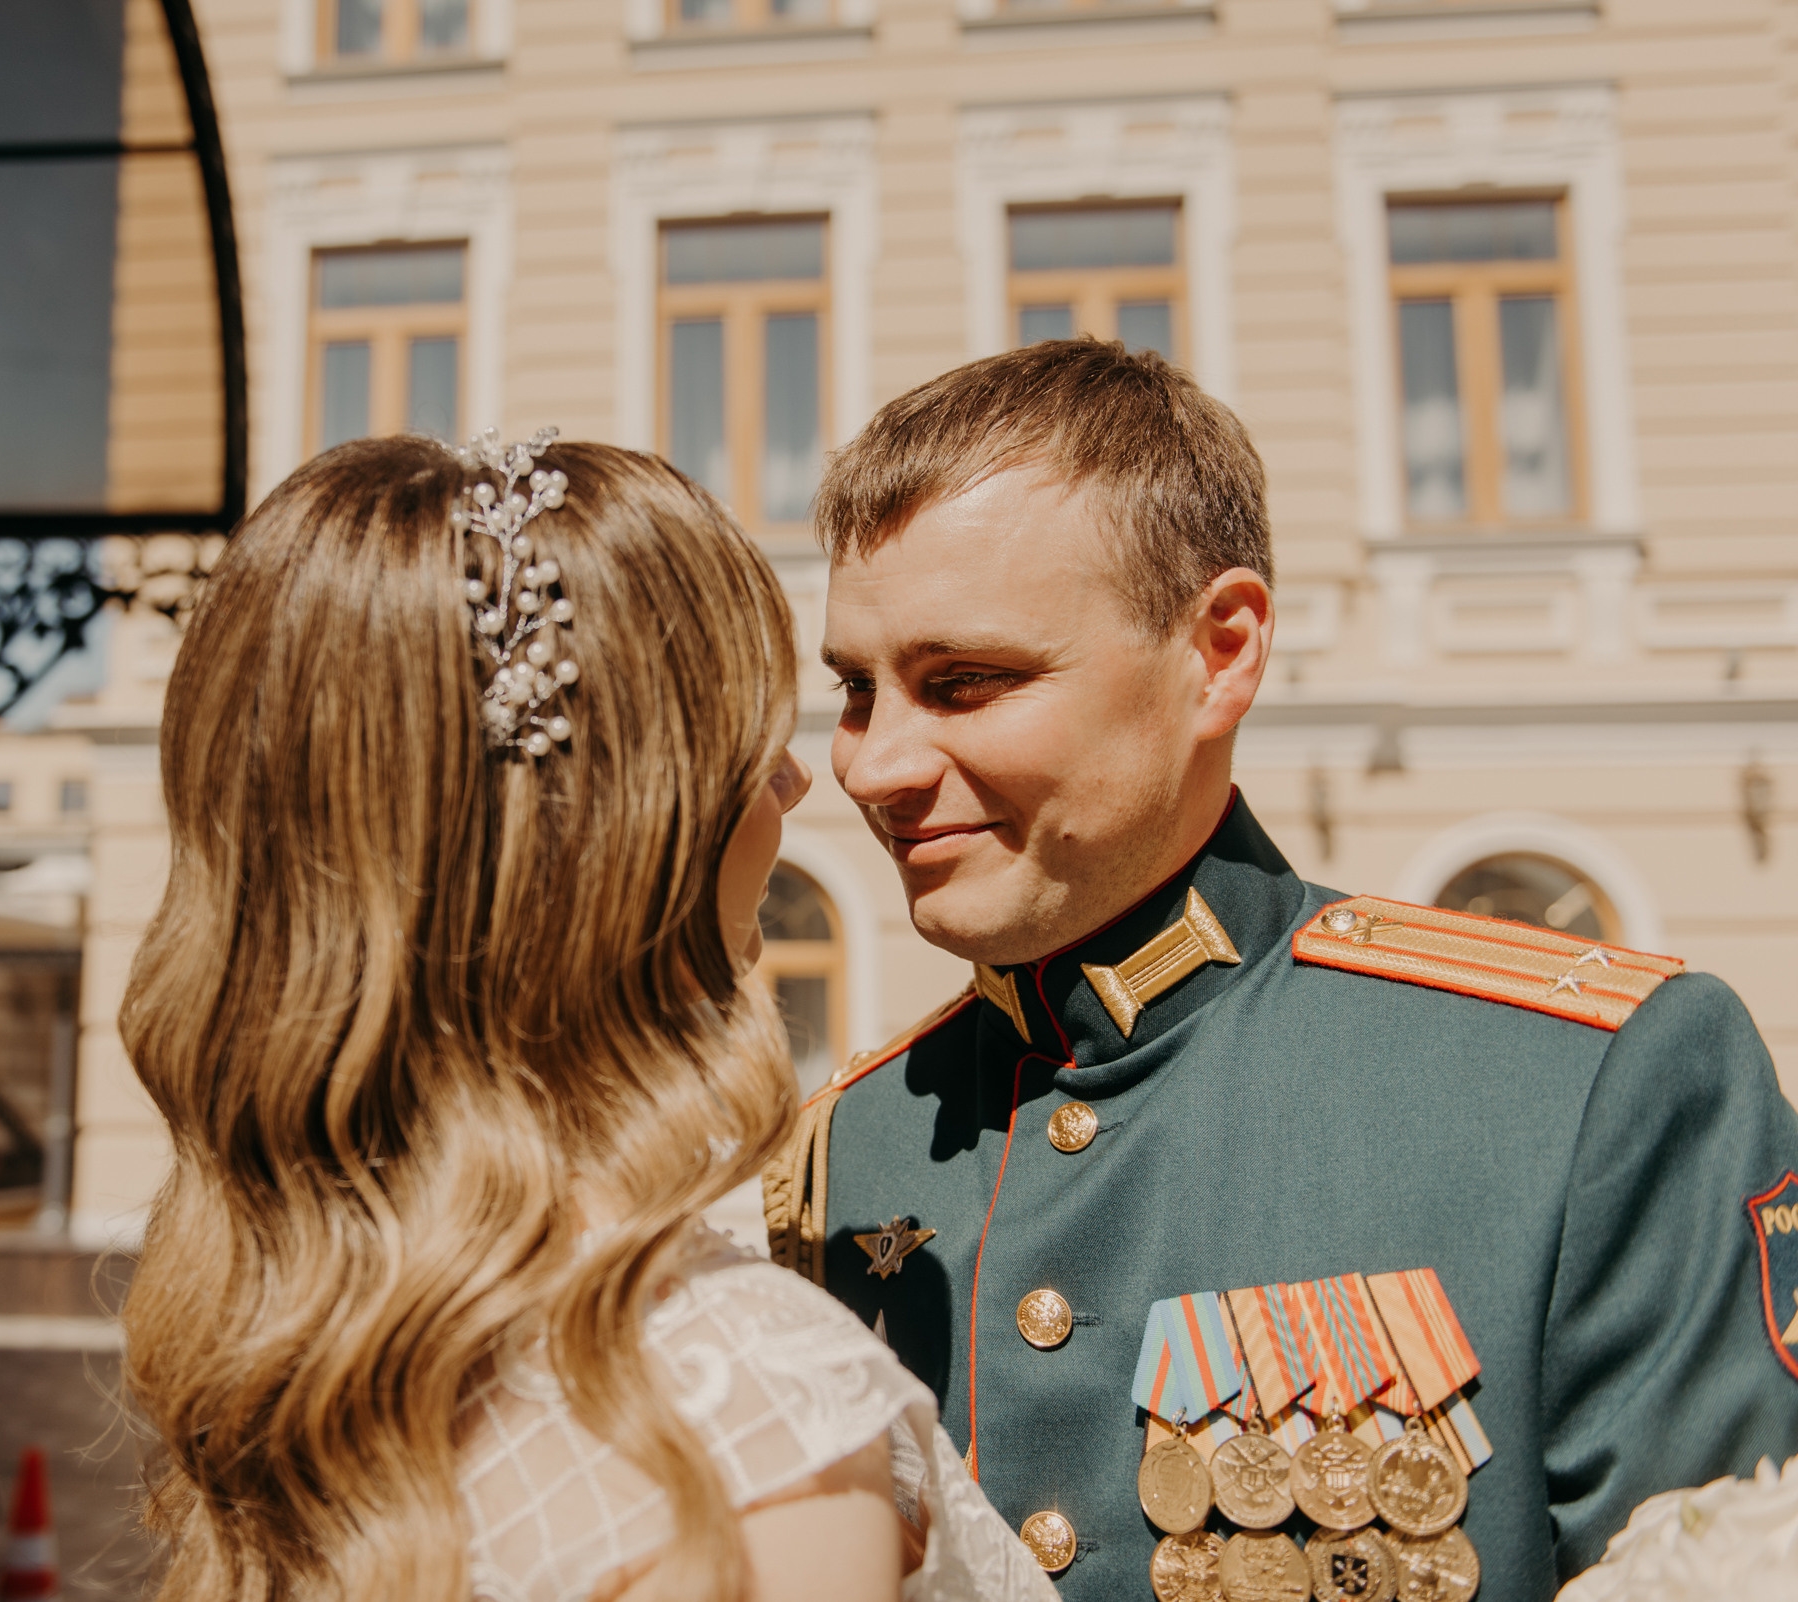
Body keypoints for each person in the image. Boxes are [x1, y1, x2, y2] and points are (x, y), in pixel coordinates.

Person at [765, 338, 1798, 1599]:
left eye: (965, 683)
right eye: (858, 691)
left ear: (1223, 651)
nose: (871, 766)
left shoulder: (1594, 1084)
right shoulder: (839, 1156)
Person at [116, 432, 1059, 1602]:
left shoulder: (318, 1317)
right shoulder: (745, 1405)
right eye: (749, 736)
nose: (807, 781)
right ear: (622, 835)